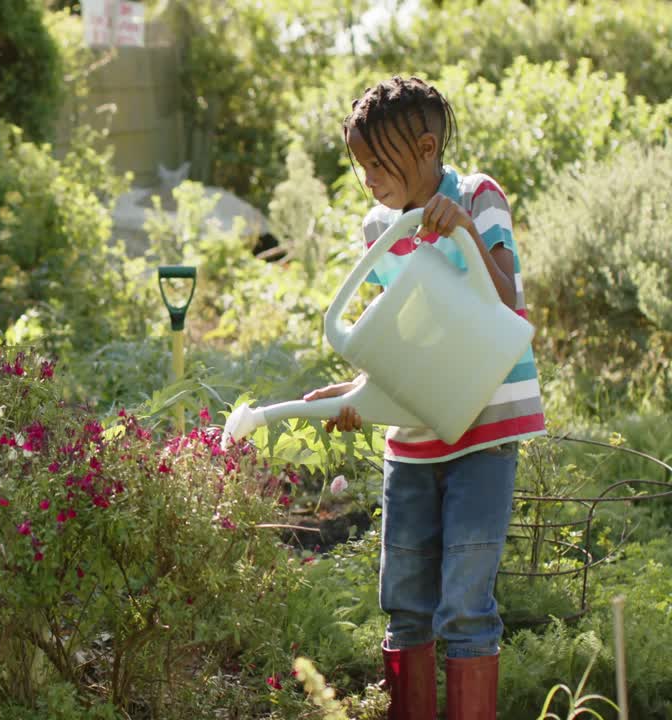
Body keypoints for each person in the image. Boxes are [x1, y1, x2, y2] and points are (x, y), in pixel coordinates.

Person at [304, 76, 546, 719]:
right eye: (360, 167)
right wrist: (357, 394)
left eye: (379, 163)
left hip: (483, 433)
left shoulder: (478, 197)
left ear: (428, 146)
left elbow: (507, 305)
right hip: (412, 440)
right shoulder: (378, 227)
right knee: (406, 600)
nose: (369, 180)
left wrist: (463, 228)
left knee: (466, 603)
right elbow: (402, 338)